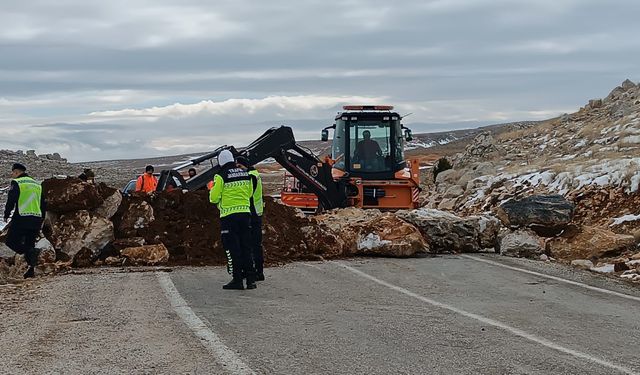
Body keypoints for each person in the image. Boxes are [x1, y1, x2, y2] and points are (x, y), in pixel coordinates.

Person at [209, 150, 256, 290]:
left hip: (229, 217)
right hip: (245, 214)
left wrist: (211, 190)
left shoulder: (220, 176)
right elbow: (249, 193)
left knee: (233, 248)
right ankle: (251, 280)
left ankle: (237, 279)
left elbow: (214, 198)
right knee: (246, 247)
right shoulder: (245, 173)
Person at [3, 163, 46, 279]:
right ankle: (30, 271)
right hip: (36, 218)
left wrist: (6, 214)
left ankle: (32, 251)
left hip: (22, 217)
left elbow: (11, 199)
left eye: (13, 173)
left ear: (17, 172)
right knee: (29, 243)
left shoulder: (17, 182)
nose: (12, 175)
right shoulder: (37, 184)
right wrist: (42, 217)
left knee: (11, 241)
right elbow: (43, 203)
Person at [236, 156, 265, 281]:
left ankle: (257, 272)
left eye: (239, 167)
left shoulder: (251, 176)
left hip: (252, 214)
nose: (238, 169)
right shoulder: (254, 174)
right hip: (255, 213)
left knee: (253, 245)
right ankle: (256, 271)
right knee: (254, 244)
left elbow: (248, 194)